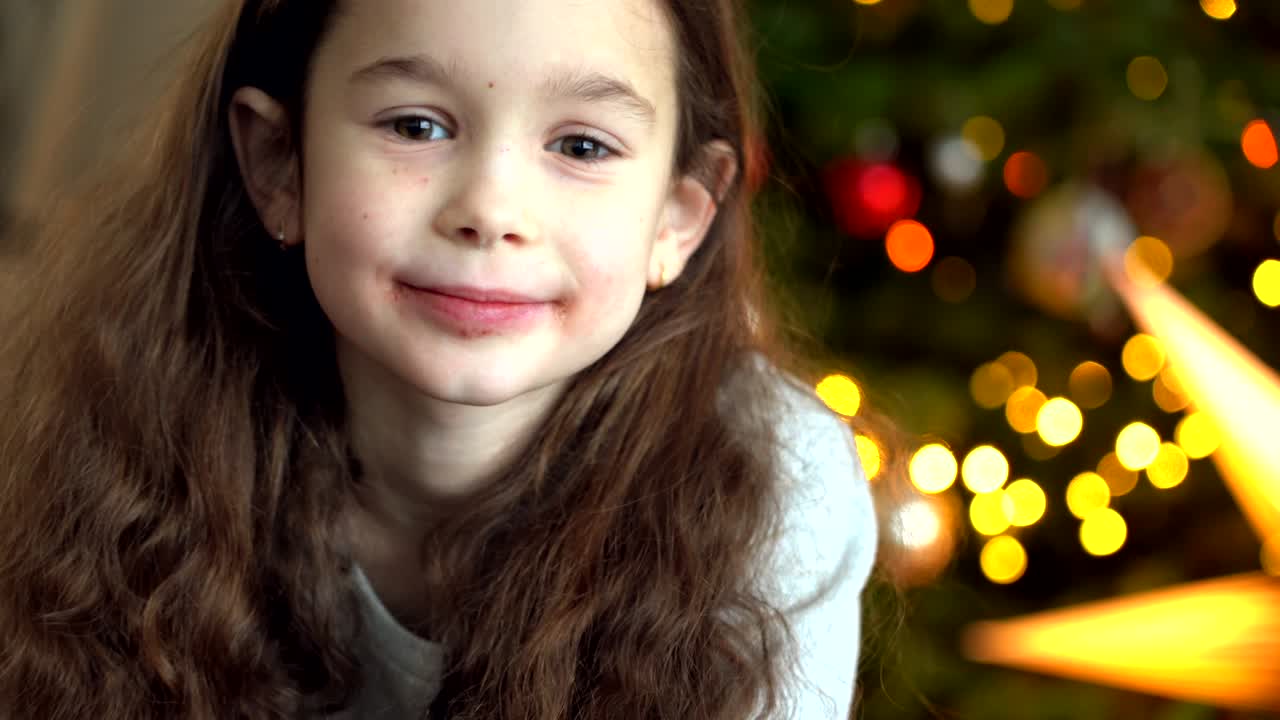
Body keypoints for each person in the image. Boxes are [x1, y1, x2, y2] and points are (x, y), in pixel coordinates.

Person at [0, 0, 877, 717]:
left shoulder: (777, 480)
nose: (491, 209)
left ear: (678, 221)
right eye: (416, 125)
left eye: (581, 146)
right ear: (280, 165)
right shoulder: (114, 431)